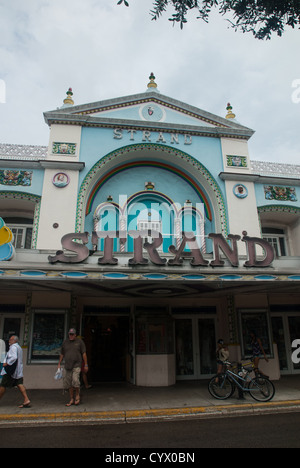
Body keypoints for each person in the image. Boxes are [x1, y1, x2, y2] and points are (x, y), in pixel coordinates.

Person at [58, 328, 88, 407]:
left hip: (76, 365)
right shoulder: (65, 342)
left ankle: (77, 395)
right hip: (68, 365)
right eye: (69, 334)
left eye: (72, 334)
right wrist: (59, 363)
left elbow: (84, 353)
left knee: (75, 380)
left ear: (75, 335)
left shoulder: (79, 342)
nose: (71, 336)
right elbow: (62, 353)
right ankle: (71, 398)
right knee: (69, 383)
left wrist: (86, 364)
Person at [0, 335, 31, 408]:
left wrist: (7, 363)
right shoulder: (19, 347)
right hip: (17, 370)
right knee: (19, 383)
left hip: (11, 370)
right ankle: (26, 399)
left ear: (14, 341)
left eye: (10, 340)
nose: (9, 341)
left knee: (3, 385)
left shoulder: (13, 347)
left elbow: (14, 357)